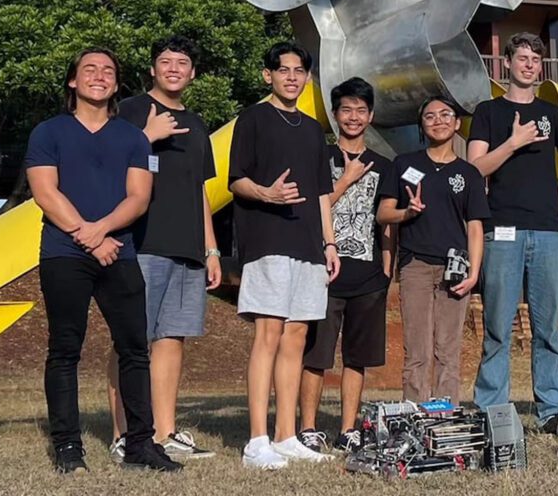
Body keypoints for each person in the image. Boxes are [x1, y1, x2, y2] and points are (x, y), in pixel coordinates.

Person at [24, 48, 181, 474]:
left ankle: (140, 445)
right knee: (64, 350)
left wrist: (104, 230)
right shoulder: (48, 132)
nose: (99, 76)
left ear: (116, 84)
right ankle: (68, 447)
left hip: (120, 253)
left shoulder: (133, 138)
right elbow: (45, 193)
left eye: (108, 71)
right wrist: (91, 238)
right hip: (64, 254)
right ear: (73, 81)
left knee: (135, 349)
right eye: (89, 70)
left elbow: (139, 197)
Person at [106, 36, 221, 463]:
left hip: (187, 248)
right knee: (132, 340)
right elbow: (106, 164)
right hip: (141, 243)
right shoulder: (130, 111)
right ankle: (124, 434)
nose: (174, 68)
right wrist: (146, 138)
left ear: (193, 73)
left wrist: (211, 249)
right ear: (152, 69)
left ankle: (163, 432)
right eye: (165, 61)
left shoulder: (197, 124)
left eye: (182, 62)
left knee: (172, 338)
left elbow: (199, 190)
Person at [228, 41, 341, 469]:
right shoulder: (253, 118)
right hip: (268, 241)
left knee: (297, 337)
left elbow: (323, 193)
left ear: (307, 78)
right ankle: (257, 440)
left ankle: (286, 435)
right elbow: (236, 180)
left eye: (299, 71)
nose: (291, 77)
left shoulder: (313, 130)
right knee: (269, 333)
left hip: (309, 245)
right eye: (283, 70)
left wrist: (330, 244)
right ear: (268, 75)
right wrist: (267, 194)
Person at [468, 32, 558, 441]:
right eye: (522, 58)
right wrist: (513, 143)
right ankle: (491, 410)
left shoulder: (553, 112)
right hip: (502, 230)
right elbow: (475, 169)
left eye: (535, 59)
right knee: (498, 326)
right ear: (507, 63)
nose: (529, 65)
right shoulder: (488, 111)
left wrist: (557, 207)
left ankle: (552, 411)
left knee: (547, 328)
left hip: (548, 232)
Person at [298, 77, 396, 453]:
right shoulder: (318, 157)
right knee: (315, 355)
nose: (353, 117)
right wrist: (347, 179)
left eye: (360, 110)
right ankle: (308, 427)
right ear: (335, 114)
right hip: (323, 273)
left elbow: (385, 222)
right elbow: (312, 208)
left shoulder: (384, 165)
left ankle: (348, 429)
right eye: (346, 110)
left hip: (368, 276)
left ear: (370, 116)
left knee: (357, 358)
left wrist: (386, 269)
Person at [378, 96, 489, 404]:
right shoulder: (404, 165)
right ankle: (414, 414)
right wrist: (407, 212)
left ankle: (444, 415)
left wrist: (474, 273)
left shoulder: (468, 173)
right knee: (417, 350)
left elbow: (475, 227)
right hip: (415, 265)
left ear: (457, 123)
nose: (438, 120)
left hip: (455, 268)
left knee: (447, 350)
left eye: (445, 115)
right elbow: (383, 213)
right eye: (429, 116)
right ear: (421, 126)